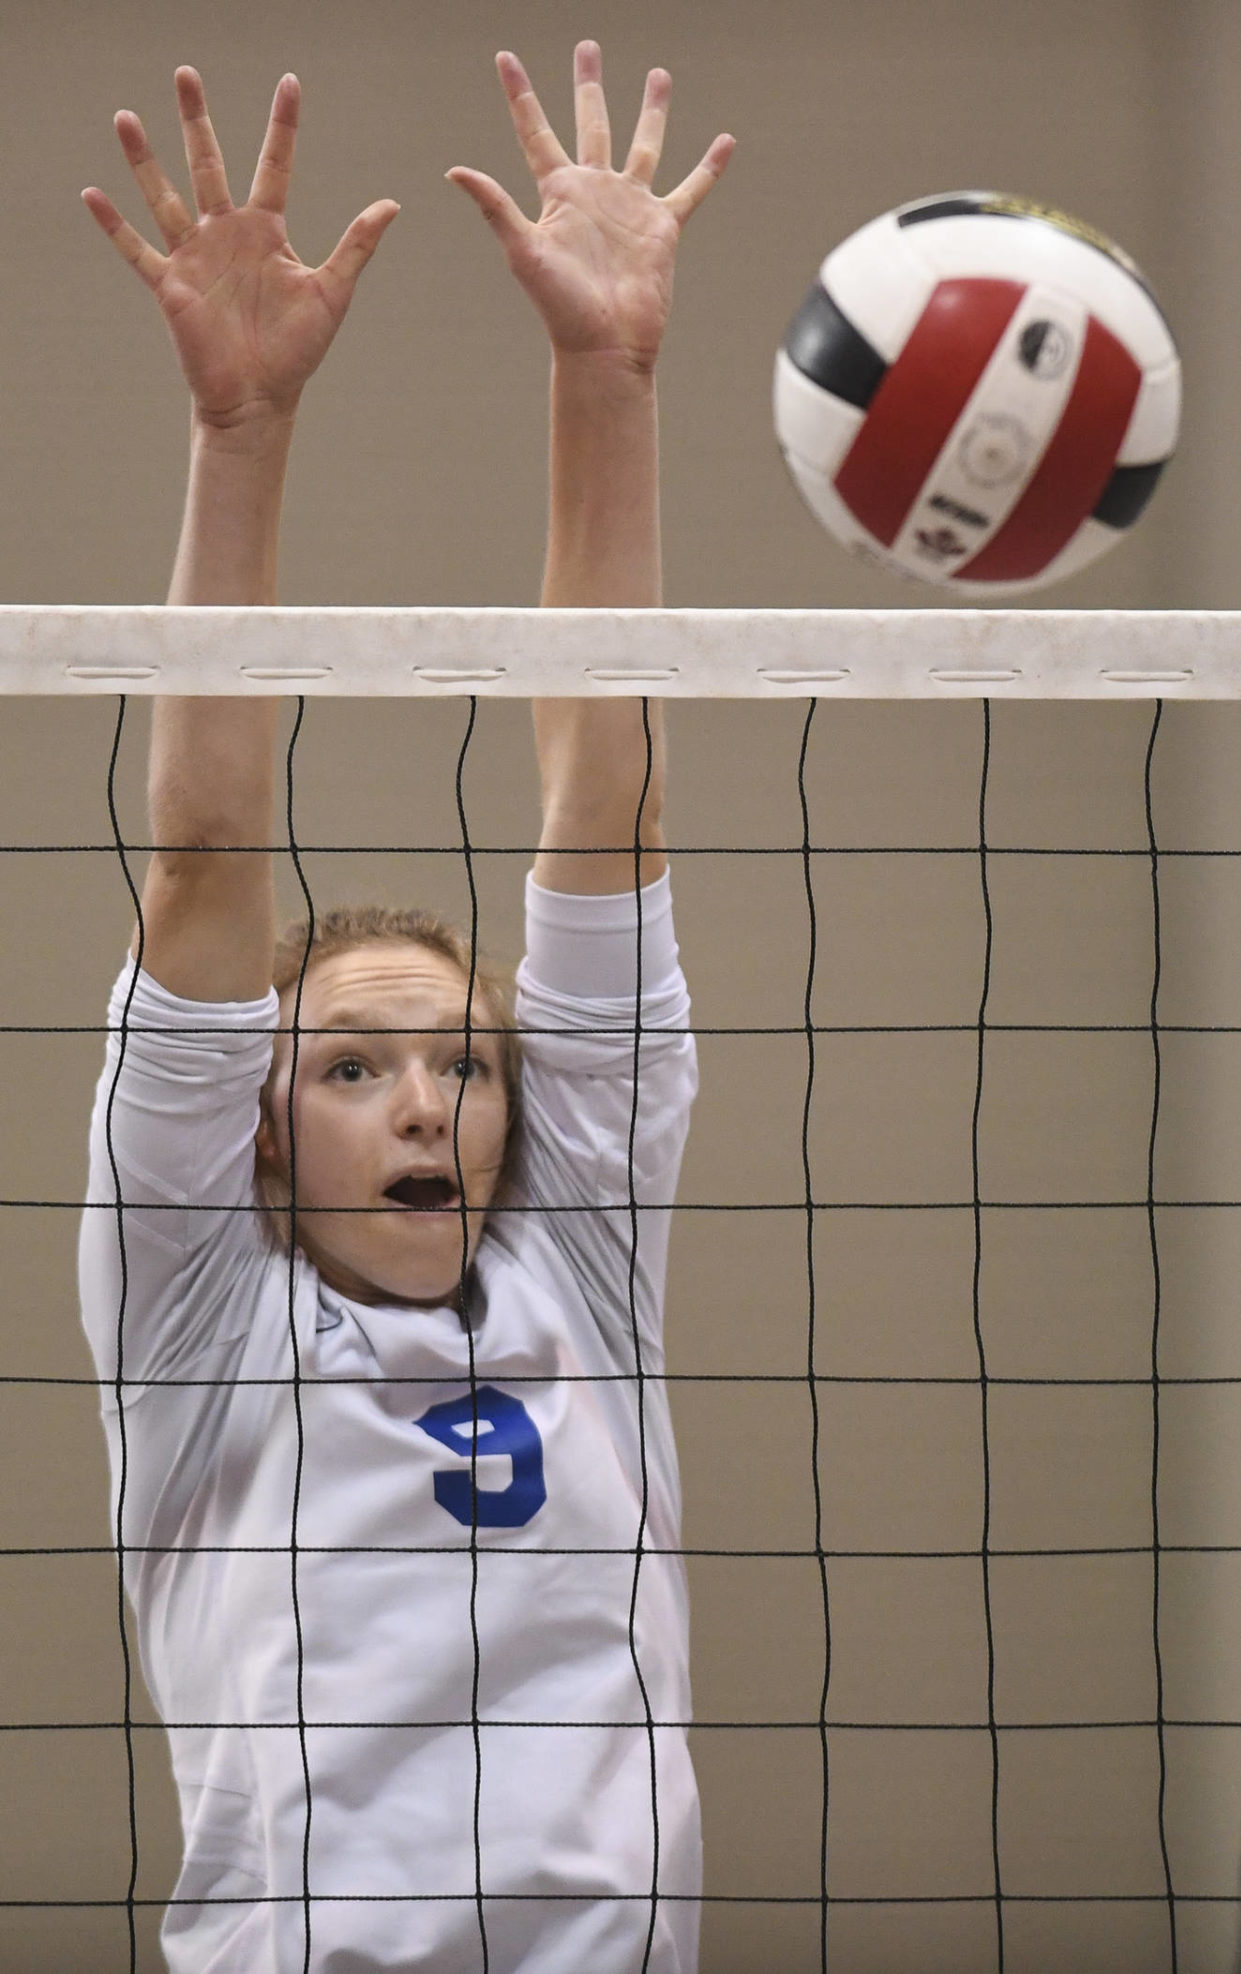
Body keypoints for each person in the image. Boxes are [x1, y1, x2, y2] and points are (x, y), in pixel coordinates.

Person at [79, 45, 730, 1972]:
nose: (426, 1100)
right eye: (353, 1064)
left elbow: (606, 798)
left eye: (460, 1060)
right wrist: (242, 428)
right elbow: (206, 852)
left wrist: (609, 375)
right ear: (259, 1126)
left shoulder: (577, 1262)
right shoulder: (200, 1313)